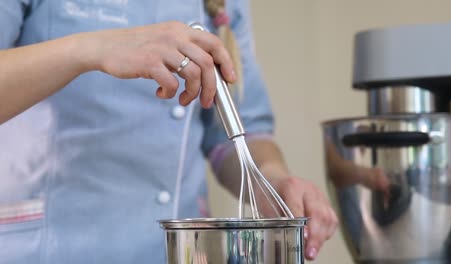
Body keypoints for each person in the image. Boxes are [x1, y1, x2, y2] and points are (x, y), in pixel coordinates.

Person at [0, 0, 337, 263]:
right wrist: (90, 49)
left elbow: (233, 134)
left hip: (175, 252)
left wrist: (274, 182)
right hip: (50, 248)